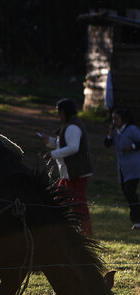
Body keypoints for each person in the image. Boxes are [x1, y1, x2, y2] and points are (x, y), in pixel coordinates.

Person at [39, 98, 94, 236]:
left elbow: (73, 148)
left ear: (65, 112)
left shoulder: (73, 127)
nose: (58, 115)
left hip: (77, 172)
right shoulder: (70, 125)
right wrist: (50, 142)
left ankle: (86, 232)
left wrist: (52, 154)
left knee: (77, 203)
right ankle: (63, 229)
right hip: (70, 173)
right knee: (61, 202)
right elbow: (64, 144)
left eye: (59, 112)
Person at [104, 108, 140, 229]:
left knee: (130, 192)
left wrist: (133, 147)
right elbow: (106, 144)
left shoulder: (132, 130)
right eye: (112, 119)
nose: (114, 121)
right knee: (126, 192)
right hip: (123, 168)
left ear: (123, 119)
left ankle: (136, 219)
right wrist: (110, 132)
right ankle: (136, 218)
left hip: (134, 166)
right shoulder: (116, 132)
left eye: (116, 119)